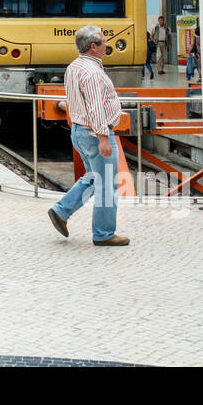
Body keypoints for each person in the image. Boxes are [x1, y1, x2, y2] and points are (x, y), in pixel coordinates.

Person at [48, 25, 129, 247]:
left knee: (94, 179)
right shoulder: (92, 73)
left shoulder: (74, 67)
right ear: (93, 47)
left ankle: (61, 211)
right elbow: (95, 107)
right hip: (95, 134)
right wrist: (103, 136)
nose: (107, 46)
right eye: (104, 42)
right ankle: (104, 233)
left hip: (80, 131)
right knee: (106, 184)